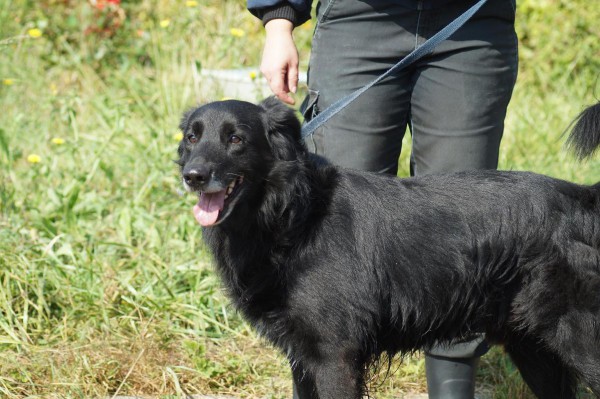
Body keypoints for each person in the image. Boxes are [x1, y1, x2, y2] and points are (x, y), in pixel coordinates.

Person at [247, 0, 518, 397]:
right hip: (358, 22)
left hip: (473, 25)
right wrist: (278, 19)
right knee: (323, 240)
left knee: (460, 236)